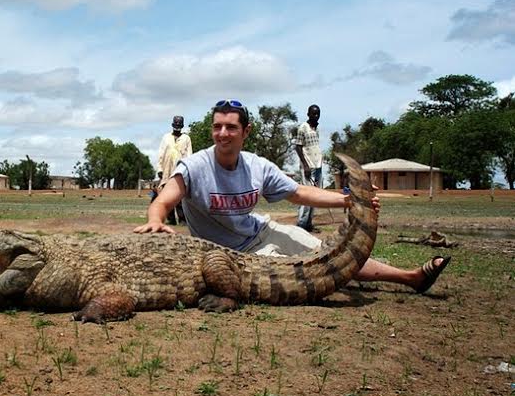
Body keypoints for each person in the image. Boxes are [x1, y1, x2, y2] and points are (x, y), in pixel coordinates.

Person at [134, 99, 450, 294]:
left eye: (231, 127)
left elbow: (299, 192)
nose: (222, 134)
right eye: (217, 127)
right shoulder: (196, 165)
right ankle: (409, 278)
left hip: (262, 232)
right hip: (227, 258)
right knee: (315, 271)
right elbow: (166, 197)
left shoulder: (257, 166)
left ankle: (410, 279)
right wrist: (155, 219)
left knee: (331, 252)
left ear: (246, 131)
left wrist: (346, 200)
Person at [156, 115, 192, 224]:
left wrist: (187, 170)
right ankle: (171, 220)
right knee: (167, 195)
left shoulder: (186, 138)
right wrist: (160, 169)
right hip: (167, 170)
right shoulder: (166, 138)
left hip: (180, 171)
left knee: (180, 196)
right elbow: (161, 154)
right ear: (172, 125)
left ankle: (182, 219)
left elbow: (189, 155)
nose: (177, 126)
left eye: (179, 125)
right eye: (176, 124)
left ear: (182, 126)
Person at [295, 104, 322, 232]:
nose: (316, 116)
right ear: (308, 114)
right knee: (306, 196)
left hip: (318, 166)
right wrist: (305, 165)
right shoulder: (303, 128)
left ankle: (309, 224)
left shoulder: (316, 128)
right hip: (308, 166)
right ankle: (301, 225)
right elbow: (298, 147)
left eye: (318, 114)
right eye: (313, 114)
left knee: (315, 196)